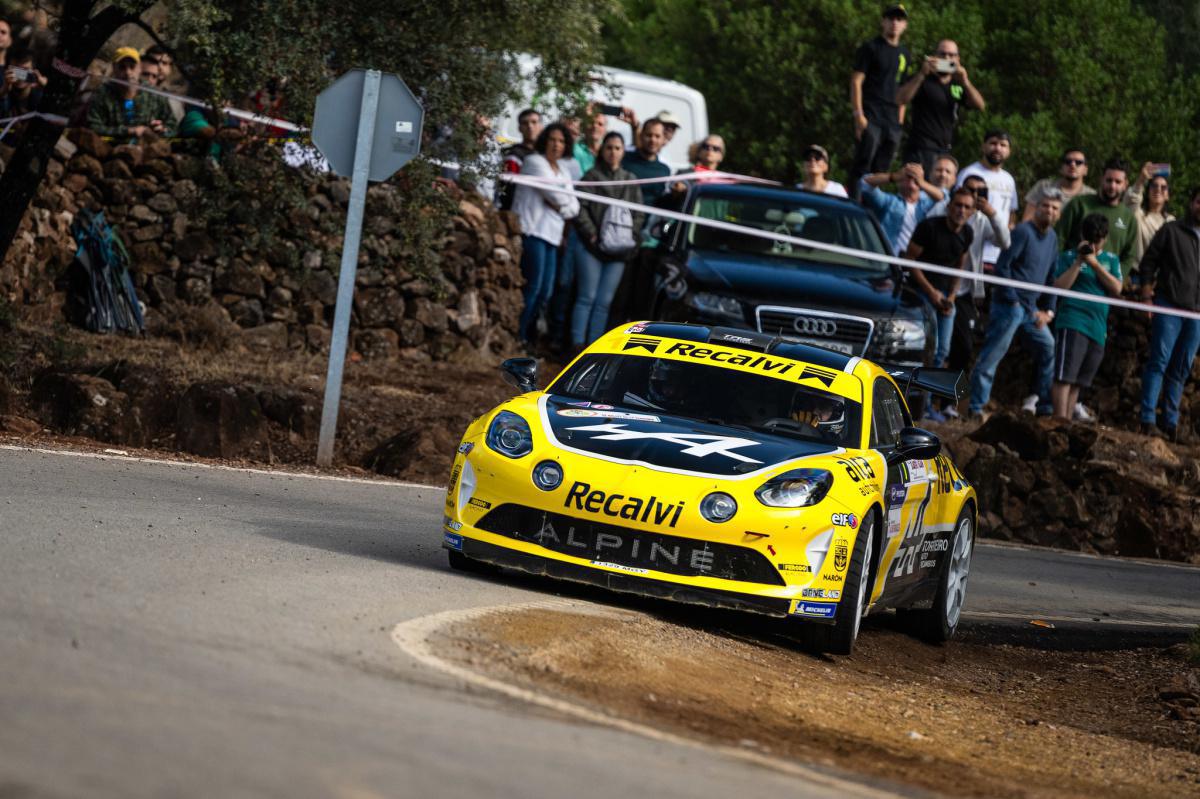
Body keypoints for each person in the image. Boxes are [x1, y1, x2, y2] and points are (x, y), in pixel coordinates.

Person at [968, 192, 1063, 418]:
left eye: (1054, 208)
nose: (1049, 211)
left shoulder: (1052, 238)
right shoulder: (1022, 231)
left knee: (1049, 349)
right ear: (1037, 207)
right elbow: (1003, 267)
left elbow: (1051, 277)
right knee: (992, 356)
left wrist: (1048, 311)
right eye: (1046, 205)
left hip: (1031, 310)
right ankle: (975, 408)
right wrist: (1013, 299)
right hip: (1009, 306)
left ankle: (1044, 406)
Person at [571, 132, 645, 349]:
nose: (613, 152)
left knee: (604, 302)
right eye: (609, 147)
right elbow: (580, 208)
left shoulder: (630, 180)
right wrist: (592, 233)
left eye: (618, 148)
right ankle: (576, 345)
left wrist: (629, 236)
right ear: (602, 150)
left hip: (620, 250)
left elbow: (640, 213)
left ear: (623, 152)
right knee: (587, 297)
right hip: (591, 247)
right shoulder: (591, 177)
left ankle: (592, 349)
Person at [1137, 187, 1200, 440]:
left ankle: (1171, 423)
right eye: (1199, 202)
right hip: (1169, 304)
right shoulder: (1172, 230)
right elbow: (1149, 262)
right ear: (1191, 203)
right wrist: (1145, 294)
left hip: (1197, 313)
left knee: (1182, 367)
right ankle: (1147, 418)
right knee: (1159, 362)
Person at [941, 176, 1012, 398]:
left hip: (963, 292)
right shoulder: (942, 211)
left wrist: (992, 213)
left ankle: (951, 402)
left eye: (980, 191)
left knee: (963, 348)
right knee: (937, 348)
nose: (973, 195)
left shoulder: (982, 220)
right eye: (970, 189)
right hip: (935, 287)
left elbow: (1005, 242)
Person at [511, 122, 580, 346]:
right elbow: (557, 196)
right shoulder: (534, 162)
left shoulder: (563, 170)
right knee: (534, 286)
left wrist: (561, 205)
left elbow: (574, 207)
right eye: (552, 140)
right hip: (533, 231)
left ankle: (529, 338)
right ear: (544, 141)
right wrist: (561, 203)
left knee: (546, 292)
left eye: (561, 141)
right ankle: (518, 335)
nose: (556, 145)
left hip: (552, 236)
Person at [1050, 213, 1122, 421]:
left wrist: (1094, 263)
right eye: (1091, 238)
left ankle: (1067, 424)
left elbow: (1117, 288)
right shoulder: (1069, 257)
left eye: (1098, 239)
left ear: (1105, 238)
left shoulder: (1111, 260)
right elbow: (1059, 287)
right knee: (1065, 376)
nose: (1094, 243)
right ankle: (1059, 421)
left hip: (1097, 327)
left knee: (1078, 381)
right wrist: (1079, 262)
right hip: (1073, 320)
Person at [905, 187, 976, 370]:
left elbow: (959, 267)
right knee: (928, 348)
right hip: (919, 292)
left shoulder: (967, 233)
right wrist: (930, 292)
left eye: (967, 207)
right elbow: (910, 260)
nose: (962, 210)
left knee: (942, 351)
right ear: (949, 206)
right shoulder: (928, 227)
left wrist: (951, 297)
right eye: (958, 205)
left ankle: (928, 395)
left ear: (972, 211)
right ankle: (919, 397)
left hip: (945, 296)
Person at [849, 4, 913, 200]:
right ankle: (854, 205)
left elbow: (903, 88)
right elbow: (856, 80)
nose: (895, 23)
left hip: (892, 120)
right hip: (871, 114)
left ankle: (872, 208)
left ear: (905, 25)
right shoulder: (871, 48)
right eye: (891, 18)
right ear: (883, 21)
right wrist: (858, 115)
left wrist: (900, 120)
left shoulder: (905, 54)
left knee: (883, 168)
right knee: (864, 163)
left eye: (899, 19)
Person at [896, 39, 985, 174]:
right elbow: (900, 99)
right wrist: (921, 74)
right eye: (942, 54)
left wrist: (965, 81)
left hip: (944, 151)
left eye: (951, 55)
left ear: (958, 59)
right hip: (920, 148)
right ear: (934, 56)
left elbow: (980, 105)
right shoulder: (923, 80)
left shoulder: (957, 84)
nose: (946, 58)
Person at [1056, 158, 1136, 280]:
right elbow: (1059, 239)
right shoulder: (1079, 204)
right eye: (1109, 180)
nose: (1112, 186)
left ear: (1125, 184)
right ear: (1101, 179)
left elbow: (1129, 257)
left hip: (1105, 287)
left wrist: (1116, 279)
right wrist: (1060, 271)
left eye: (1118, 182)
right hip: (1073, 280)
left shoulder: (1129, 218)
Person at [86, 47, 176, 143]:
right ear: (114, 68)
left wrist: (162, 130)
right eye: (122, 67)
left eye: (132, 67)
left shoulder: (153, 93)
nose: (128, 73)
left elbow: (173, 127)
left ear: (139, 68)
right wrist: (129, 131)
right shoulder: (103, 92)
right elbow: (93, 127)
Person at [957, 130, 1018, 269]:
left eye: (1003, 145)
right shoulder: (969, 172)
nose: (998, 148)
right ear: (983, 146)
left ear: (1009, 151)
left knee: (986, 290)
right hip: (969, 248)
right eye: (993, 143)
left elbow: (1012, 212)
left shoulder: (1009, 179)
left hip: (998, 252)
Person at [859, 162, 944, 254]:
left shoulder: (925, 205)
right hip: (886, 259)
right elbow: (865, 183)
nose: (912, 179)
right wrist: (894, 176)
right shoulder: (888, 201)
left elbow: (941, 196)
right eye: (908, 176)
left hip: (912, 262)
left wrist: (921, 182)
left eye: (916, 177)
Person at [1124, 161, 1175, 274]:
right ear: (1148, 191)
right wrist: (1142, 179)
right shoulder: (1137, 214)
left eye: (1163, 187)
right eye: (1154, 185)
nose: (1158, 189)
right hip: (1134, 274)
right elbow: (1131, 199)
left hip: (1158, 279)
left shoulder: (1171, 222)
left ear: (1168, 196)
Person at [1022, 148, 1094, 222]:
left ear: (1085, 170)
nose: (1072, 165)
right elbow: (1027, 220)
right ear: (1061, 168)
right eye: (1068, 161)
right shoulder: (1043, 186)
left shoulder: (1091, 195)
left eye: (1078, 162)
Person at [497, 108, 541, 211]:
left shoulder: (545, 155)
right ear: (519, 128)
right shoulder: (513, 156)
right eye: (525, 123)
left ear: (541, 126)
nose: (530, 126)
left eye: (534, 122)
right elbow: (508, 190)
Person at [621, 118, 671, 205]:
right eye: (649, 135)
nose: (653, 140)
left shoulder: (665, 170)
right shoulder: (623, 159)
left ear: (663, 140)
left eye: (657, 136)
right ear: (641, 136)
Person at [141, 45, 184, 122]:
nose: (159, 67)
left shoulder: (174, 97)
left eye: (164, 63)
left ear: (171, 67)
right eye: (154, 61)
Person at [0, 48, 44, 120]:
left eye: (25, 70)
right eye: (16, 70)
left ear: (34, 71)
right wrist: (5, 89)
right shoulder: (5, 91)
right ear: (7, 70)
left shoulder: (39, 95)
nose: (21, 75)